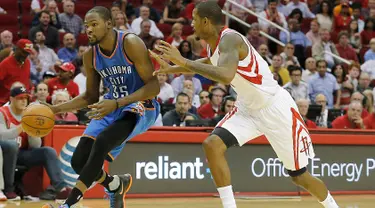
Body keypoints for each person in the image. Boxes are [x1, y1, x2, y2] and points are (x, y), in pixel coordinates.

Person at [149, 1, 339, 208]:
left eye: (194, 19)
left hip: (275, 108)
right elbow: (211, 63)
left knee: (299, 176)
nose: (191, 24)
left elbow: (225, 74)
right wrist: (173, 68)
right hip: (248, 108)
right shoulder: (214, 44)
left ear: (205, 21)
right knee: (212, 144)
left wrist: (184, 62)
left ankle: (332, 205)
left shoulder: (229, 39)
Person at [43, 6, 160, 208]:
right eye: (86, 26)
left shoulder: (130, 43)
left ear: (109, 24)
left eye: (94, 24)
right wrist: (53, 110)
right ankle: (116, 185)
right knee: (78, 162)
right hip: (111, 105)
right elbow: (90, 96)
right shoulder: (90, 56)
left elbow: (153, 86)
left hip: (141, 105)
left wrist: (117, 102)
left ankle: (67, 204)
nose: (88, 30)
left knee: (103, 141)